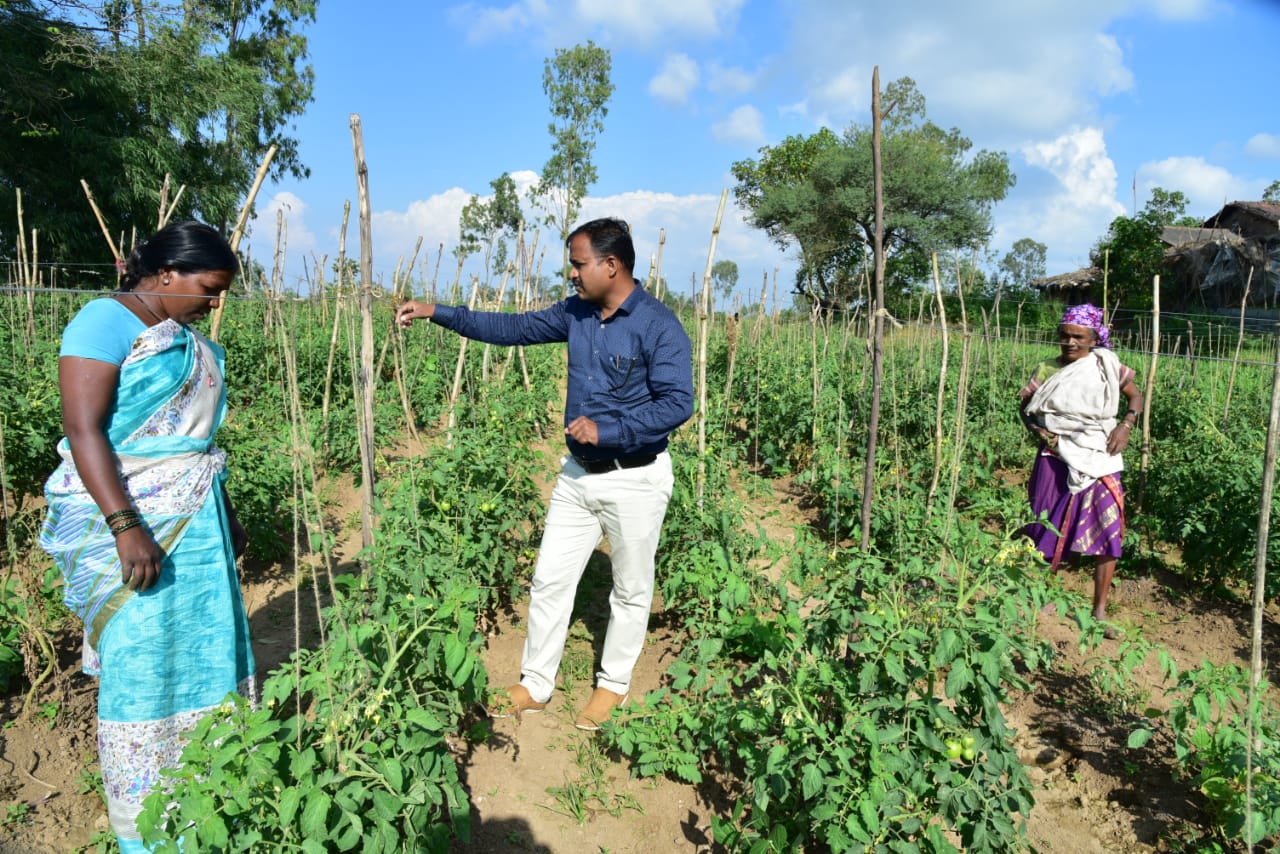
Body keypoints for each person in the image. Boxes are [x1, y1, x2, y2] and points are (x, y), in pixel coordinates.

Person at [397, 217, 694, 730]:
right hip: (578, 476)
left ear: (611, 265)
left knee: (629, 589)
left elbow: (677, 402)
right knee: (551, 578)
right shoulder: (576, 314)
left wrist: (611, 429)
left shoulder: (658, 325)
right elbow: (513, 328)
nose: (572, 276)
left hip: (636, 477)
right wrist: (436, 312)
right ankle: (536, 683)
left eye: (578, 265)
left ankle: (613, 686)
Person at [39, 221, 255, 851]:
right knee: (141, 661)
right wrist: (126, 526)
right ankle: (147, 826)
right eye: (209, 289)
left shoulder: (184, 339)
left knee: (204, 651)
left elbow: (196, 447)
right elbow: (85, 430)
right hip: (132, 523)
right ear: (165, 275)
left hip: (197, 524)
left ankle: (213, 795)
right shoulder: (102, 323)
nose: (214, 305)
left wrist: (228, 512)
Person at [1018, 303, 1144, 637]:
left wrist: (1126, 426)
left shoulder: (1107, 366)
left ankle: (1099, 610)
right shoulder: (1048, 368)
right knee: (1047, 521)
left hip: (1100, 452)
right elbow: (1026, 408)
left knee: (1108, 527)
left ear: (1094, 338)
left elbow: (1135, 396)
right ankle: (1043, 597)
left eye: (1079, 337)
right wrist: (1040, 432)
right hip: (1055, 453)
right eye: (1065, 336)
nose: (1070, 343)